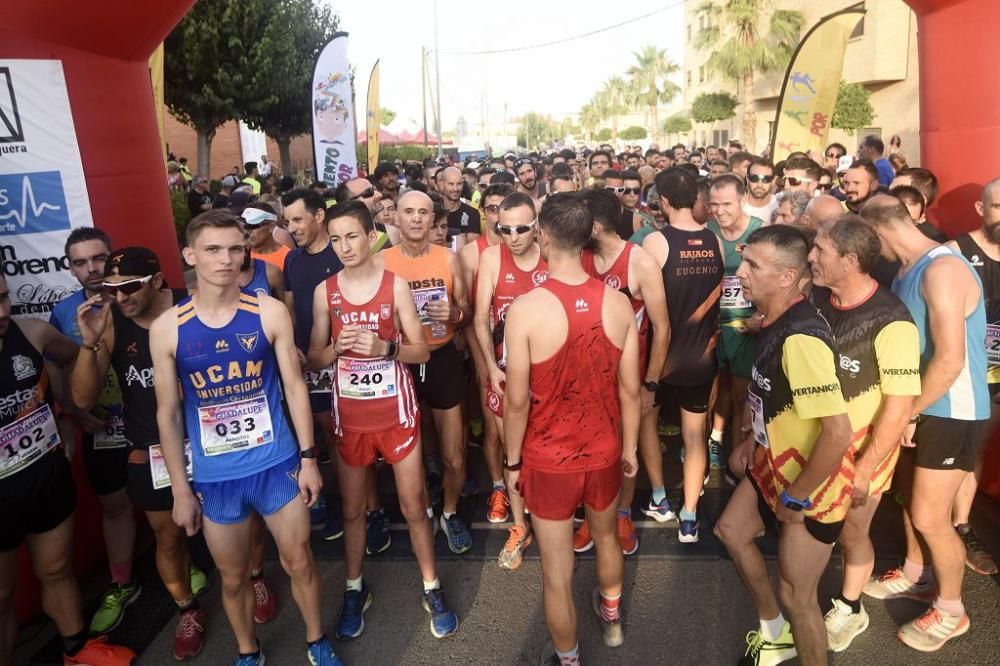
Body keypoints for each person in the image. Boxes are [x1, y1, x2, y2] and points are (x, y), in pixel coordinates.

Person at [150, 212, 341, 665]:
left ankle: (316, 640)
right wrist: (181, 489)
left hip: (276, 465)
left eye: (235, 248)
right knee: (232, 578)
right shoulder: (169, 327)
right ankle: (247, 652)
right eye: (213, 249)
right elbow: (169, 412)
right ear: (190, 255)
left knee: (299, 561)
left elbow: (295, 387)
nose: (226, 259)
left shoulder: (268, 310)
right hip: (217, 478)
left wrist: (309, 459)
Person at [307, 201, 459, 641]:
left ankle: (431, 586)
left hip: (396, 413)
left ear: (371, 234)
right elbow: (313, 358)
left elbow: (422, 350)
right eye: (335, 239)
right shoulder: (326, 292)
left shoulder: (394, 287)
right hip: (351, 417)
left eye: (352, 236)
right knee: (353, 510)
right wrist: (336, 349)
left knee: (413, 506)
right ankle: (355, 588)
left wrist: (384, 348)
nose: (344, 247)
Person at [503, 193, 640, 665]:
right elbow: (631, 391)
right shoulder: (620, 304)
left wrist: (511, 461)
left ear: (543, 235)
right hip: (604, 450)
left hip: (548, 457)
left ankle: (569, 658)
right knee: (606, 537)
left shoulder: (526, 308)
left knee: (557, 573)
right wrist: (633, 450)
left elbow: (516, 401)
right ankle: (612, 619)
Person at [71, 247, 220, 660]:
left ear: (157, 281)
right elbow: (82, 398)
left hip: (213, 440)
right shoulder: (113, 322)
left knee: (240, 523)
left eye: (130, 287)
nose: (121, 297)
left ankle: (256, 577)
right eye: (113, 289)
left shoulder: (192, 306)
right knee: (168, 537)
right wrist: (91, 342)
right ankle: (186, 609)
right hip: (152, 450)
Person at [714, 225, 854, 666]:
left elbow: (837, 433)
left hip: (810, 488)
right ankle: (775, 635)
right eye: (743, 261)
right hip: (771, 467)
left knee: (798, 597)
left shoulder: (800, 339)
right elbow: (768, 395)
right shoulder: (773, 319)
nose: (741, 273)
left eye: (753, 265)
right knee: (731, 531)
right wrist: (749, 440)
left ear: (787, 278)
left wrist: (798, 496)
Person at [860, 195, 989, 652]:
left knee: (932, 517)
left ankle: (952, 611)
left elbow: (950, 360)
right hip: (925, 405)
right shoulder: (905, 270)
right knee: (909, 502)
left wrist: (909, 410)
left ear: (878, 232)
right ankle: (917, 575)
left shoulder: (943, 270)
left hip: (954, 410)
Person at [0, 274, 137, 666]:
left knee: (58, 569)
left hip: (44, 475)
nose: (3, 311)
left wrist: (70, 414)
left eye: (5, 298)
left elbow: (76, 360)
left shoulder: (33, 332)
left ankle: (77, 650)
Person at [807, 216, 921, 653]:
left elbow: (898, 406)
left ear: (850, 260)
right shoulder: (819, 298)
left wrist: (865, 468)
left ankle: (850, 607)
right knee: (810, 526)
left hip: (861, 448)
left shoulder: (892, 321)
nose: (811, 256)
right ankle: (802, 593)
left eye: (820, 250)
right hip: (815, 441)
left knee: (853, 531)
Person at [49, 229, 139, 635]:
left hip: (147, 420)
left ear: (112, 257)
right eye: (81, 262)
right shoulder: (64, 311)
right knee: (115, 505)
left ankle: (184, 568)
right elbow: (55, 364)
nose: (92, 268)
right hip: (101, 425)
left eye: (99, 258)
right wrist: (70, 411)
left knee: (171, 500)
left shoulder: (136, 297)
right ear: (70, 267)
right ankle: (122, 584)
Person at [571, 189, 668, 556]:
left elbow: (663, 327)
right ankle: (589, 519)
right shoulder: (578, 257)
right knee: (587, 451)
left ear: (595, 225)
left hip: (631, 377)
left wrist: (650, 384)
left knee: (628, 449)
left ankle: (623, 514)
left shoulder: (639, 262)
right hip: (587, 380)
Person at [382, 192, 474, 553]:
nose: (416, 219)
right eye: (408, 212)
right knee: (410, 454)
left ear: (433, 218)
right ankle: (425, 510)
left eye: (423, 213)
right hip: (400, 362)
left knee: (454, 455)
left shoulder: (449, 259)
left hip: (442, 359)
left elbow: (466, 311)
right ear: (397, 219)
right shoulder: (381, 262)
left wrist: (452, 314)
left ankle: (450, 513)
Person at [642, 168, 724, 541]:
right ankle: (690, 515)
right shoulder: (715, 242)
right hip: (702, 359)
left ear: (662, 201)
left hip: (661, 360)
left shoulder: (656, 244)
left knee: (648, 427)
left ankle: (659, 497)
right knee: (695, 438)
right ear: (695, 199)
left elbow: (646, 304)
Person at [473, 192, 548, 569]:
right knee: (511, 451)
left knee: (549, 451)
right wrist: (490, 367)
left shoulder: (551, 254)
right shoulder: (490, 257)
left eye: (522, 228)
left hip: (548, 376)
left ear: (536, 226)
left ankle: (550, 522)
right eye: (505, 229)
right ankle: (520, 526)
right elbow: (479, 318)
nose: (514, 237)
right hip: (505, 374)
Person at [944, 177, 1000, 577]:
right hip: (968, 373)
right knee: (972, 450)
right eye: (998, 206)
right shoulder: (956, 252)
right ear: (982, 210)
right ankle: (961, 526)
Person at [459, 184, 514, 524]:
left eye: (502, 208)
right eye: (491, 209)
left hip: (523, 359)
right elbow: (467, 314)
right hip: (488, 355)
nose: (496, 215)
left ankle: (523, 486)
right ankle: (498, 488)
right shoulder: (470, 254)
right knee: (493, 431)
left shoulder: (535, 250)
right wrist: (483, 363)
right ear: (484, 212)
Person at [707, 174, 765, 472]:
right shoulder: (706, 232)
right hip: (717, 327)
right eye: (714, 205)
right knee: (715, 392)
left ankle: (739, 462)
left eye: (726, 204)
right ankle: (713, 446)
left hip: (747, 327)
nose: (720, 211)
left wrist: (762, 317)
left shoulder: (760, 232)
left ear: (742, 199)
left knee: (743, 396)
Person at [436, 167, 481, 248]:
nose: (455, 189)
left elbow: (472, 247)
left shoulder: (472, 213)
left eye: (459, 184)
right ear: (442, 184)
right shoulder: (434, 212)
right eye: (451, 184)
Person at [244, 203, 291, 269]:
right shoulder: (241, 255)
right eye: (246, 226)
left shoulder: (289, 258)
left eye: (253, 225)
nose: (249, 231)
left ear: (271, 227)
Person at [743, 158, 779, 223]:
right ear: (747, 179)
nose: (759, 185)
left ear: (773, 181)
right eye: (754, 178)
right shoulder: (736, 206)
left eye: (766, 179)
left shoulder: (780, 206)